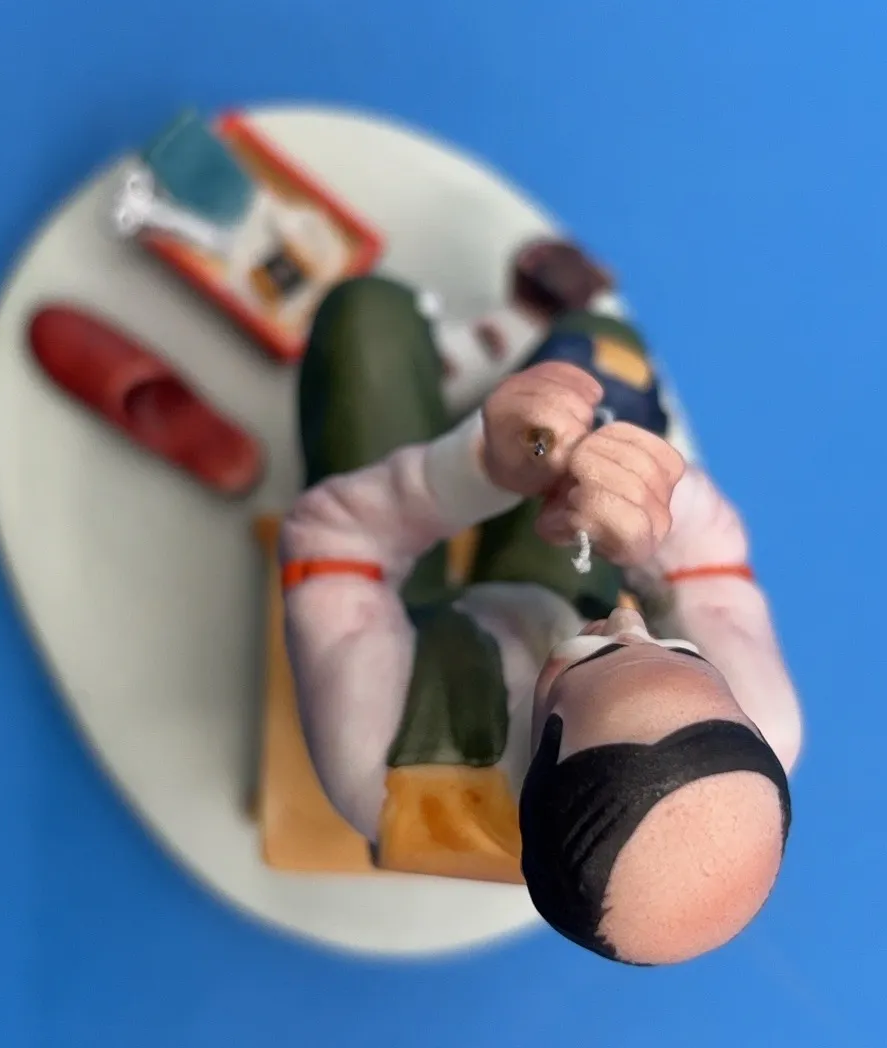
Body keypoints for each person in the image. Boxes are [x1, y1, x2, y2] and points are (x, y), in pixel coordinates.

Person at [280, 270, 803, 965]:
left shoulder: (390, 770)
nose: (630, 623)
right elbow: (714, 578)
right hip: (556, 583)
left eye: (604, 658)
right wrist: (649, 505)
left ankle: (455, 400)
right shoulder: (765, 724)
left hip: (407, 618)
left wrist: (471, 471)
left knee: (367, 319)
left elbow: (330, 547)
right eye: (680, 651)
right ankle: (522, 405)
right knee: (606, 354)